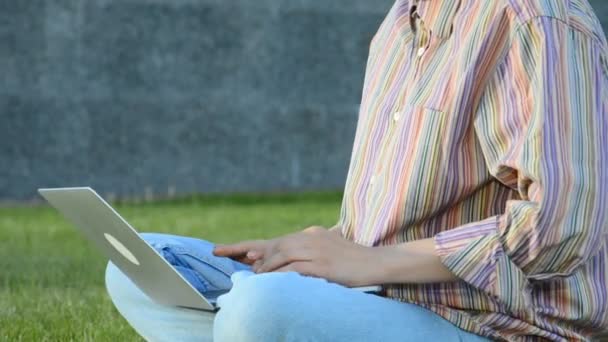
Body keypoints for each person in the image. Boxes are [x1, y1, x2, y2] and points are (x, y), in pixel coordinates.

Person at [104, 0, 608, 340]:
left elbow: (560, 227)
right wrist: (321, 247)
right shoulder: (398, 24)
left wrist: (367, 263)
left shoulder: (538, 19)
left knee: (258, 309)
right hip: (387, 295)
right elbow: (393, 218)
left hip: (497, 324)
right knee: (143, 266)